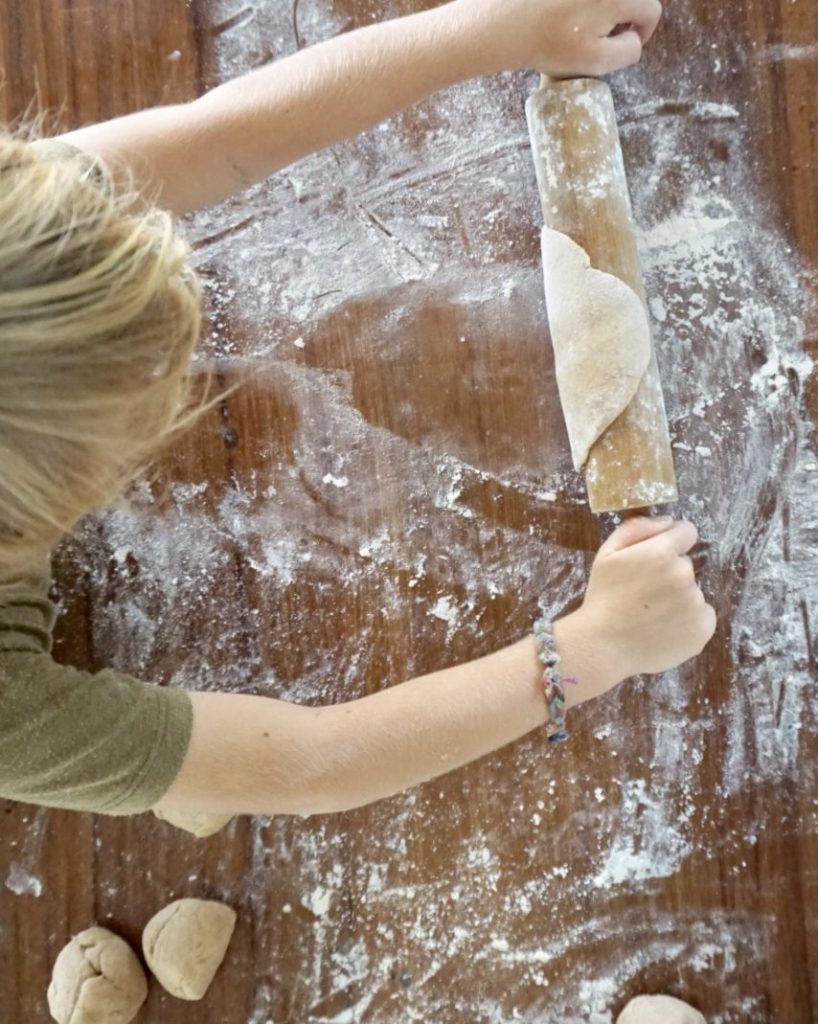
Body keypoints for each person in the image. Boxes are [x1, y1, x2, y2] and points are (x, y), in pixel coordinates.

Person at [1, 1, 713, 1019]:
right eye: (139, 410)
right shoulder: (8, 716)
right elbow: (306, 761)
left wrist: (496, 29)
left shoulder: (15, 252)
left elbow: (218, 138)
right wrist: (591, 647)